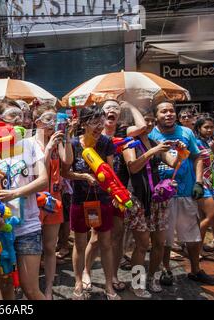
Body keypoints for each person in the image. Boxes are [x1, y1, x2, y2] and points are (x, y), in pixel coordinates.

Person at [83, 99, 146, 293]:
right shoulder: (94, 136)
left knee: (116, 236)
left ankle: (114, 275)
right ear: (100, 115)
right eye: (107, 108)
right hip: (98, 192)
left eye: (116, 109)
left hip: (120, 194)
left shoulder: (124, 134)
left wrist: (129, 104)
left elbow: (143, 126)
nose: (112, 111)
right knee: (95, 237)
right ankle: (85, 271)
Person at [149, 100, 214, 285]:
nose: (168, 114)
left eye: (171, 111)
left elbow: (198, 158)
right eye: (163, 111)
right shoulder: (150, 134)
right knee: (165, 238)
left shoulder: (186, 132)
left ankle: (195, 270)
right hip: (162, 195)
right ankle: (166, 270)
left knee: (192, 235)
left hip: (186, 192)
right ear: (156, 116)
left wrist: (199, 182)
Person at [0, 98, 49, 300]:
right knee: (5, 287)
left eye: (20, 116)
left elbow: (43, 181)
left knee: (30, 288)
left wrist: (15, 193)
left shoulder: (30, 144)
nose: (17, 120)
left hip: (28, 227)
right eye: (11, 116)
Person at [63, 105, 120, 300]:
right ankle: (78, 282)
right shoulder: (73, 142)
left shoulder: (106, 143)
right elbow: (65, 172)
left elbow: (111, 173)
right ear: (84, 123)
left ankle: (108, 284)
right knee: (80, 243)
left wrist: (116, 192)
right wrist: (84, 176)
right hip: (79, 200)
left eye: (101, 121)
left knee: (106, 243)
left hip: (102, 200)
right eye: (94, 122)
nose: (99, 126)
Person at [123, 112, 180, 298]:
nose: (147, 124)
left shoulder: (155, 142)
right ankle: (137, 284)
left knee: (160, 242)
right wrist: (151, 152)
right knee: (141, 244)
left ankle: (153, 278)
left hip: (157, 198)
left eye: (149, 121)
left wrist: (181, 151)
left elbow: (173, 162)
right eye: (143, 121)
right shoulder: (129, 142)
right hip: (139, 198)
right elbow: (132, 167)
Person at [30, 103, 72, 299]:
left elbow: (67, 161)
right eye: (47, 119)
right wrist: (47, 148)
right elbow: (40, 171)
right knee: (33, 247)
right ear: (37, 122)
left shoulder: (57, 140)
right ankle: (32, 288)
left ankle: (48, 289)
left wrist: (67, 137)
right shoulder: (30, 143)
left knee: (49, 247)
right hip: (34, 202)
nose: (52, 124)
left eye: (54, 120)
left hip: (54, 201)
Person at [193, 115, 214, 254]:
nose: (209, 130)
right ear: (199, 128)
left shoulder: (210, 142)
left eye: (211, 127)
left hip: (212, 182)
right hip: (201, 183)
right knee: (211, 216)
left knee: (204, 217)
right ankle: (193, 248)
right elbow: (198, 160)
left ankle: (198, 248)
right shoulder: (195, 142)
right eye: (206, 127)